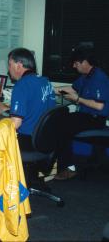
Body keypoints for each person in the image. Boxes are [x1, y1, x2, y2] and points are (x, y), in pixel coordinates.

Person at [54, 45, 109, 180]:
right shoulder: (85, 76)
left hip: (95, 118)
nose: (74, 66)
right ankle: (56, 164)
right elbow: (72, 89)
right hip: (85, 116)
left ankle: (70, 168)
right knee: (58, 119)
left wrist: (78, 99)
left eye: (76, 63)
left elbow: (100, 106)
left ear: (85, 62)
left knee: (63, 127)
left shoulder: (99, 77)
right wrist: (50, 89)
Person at [0, 48, 56, 152]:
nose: (8, 69)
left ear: (18, 65)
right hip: (45, 140)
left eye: (9, 64)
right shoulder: (45, 81)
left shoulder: (21, 85)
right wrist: (8, 109)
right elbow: (35, 106)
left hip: (26, 141)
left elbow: (15, 124)